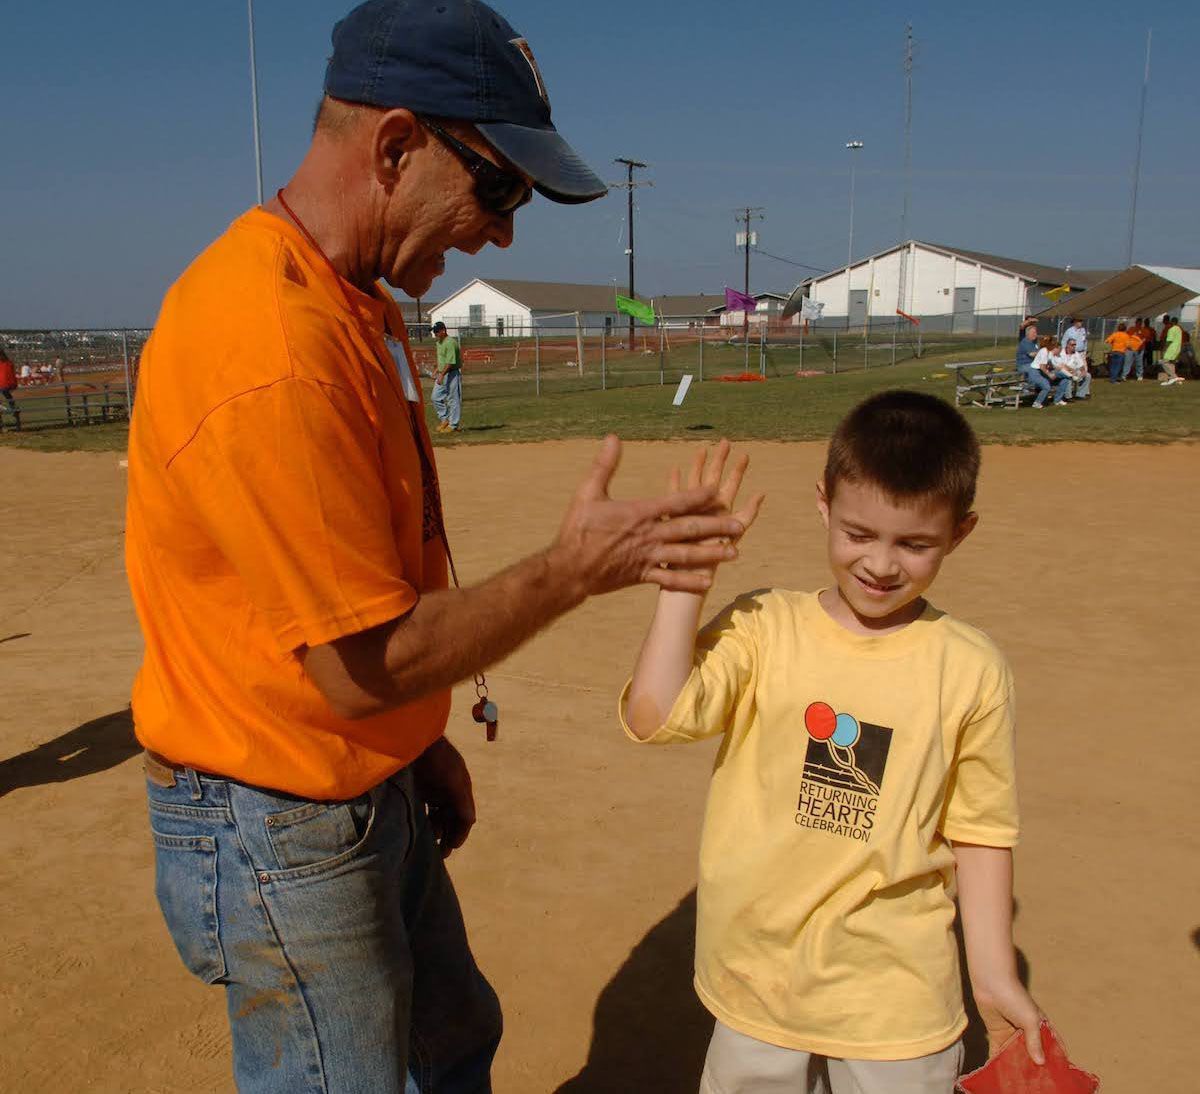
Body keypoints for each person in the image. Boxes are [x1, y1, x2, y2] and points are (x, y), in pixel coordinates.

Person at [124, 3, 748, 1091]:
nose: (501, 231)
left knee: (451, 1043)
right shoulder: (271, 341)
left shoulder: (356, 302)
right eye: (497, 186)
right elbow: (361, 664)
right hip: (281, 815)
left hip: (356, 780)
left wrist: (414, 751)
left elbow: (359, 594)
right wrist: (571, 570)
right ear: (398, 144)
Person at [623, 393, 1047, 1094]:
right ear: (823, 504)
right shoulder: (764, 626)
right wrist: (682, 591)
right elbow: (653, 714)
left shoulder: (971, 668)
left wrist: (994, 976)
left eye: (914, 544)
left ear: (960, 532)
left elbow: (981, 831)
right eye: (858, 533)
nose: (881, 564)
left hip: (897, 998)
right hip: (758, 981)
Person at [431, 320, 462, 432]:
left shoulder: (450, 343)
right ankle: (445, 419)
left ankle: (453, 425)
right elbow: (442, 360)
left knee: (453, 399)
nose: (435, 334)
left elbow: (450, 362)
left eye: (437, 332)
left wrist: (441, 375)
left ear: (443, 331)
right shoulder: (439, 343)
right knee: (435, 398)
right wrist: (436, 371)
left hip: (451, 373)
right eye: (434, 332)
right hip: (442, 373)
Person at [1026, 335, 1070, 407]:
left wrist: (1056, 369)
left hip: (1042, 373)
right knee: (1046, 387)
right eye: (1059, 349)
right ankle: (1037, 403)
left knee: (1065, 380)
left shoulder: (1050, 353)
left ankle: (1057, 400)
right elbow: (1042, 366)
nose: (1059, 352)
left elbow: (1051, 365)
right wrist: (1050, 374)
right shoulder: (1044, 351)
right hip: (1035, 373)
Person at [1159, 316, 1185, 386]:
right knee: (1172, 363)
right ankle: (1175, 380)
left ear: (1172, 322)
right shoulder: (1179, 329)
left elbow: (1169, 341)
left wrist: (1164, 348)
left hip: (1172, 348)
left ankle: (1174, 377)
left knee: (1163, 362)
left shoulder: (1171, 329)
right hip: (1178, 348)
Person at [0, 343, 17, 414]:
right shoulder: (9, 362)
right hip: (10, 383)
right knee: (6, 394)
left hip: (5, 384)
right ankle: (11, 407)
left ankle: (6, 409)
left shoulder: (6, 363)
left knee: (4, 391)